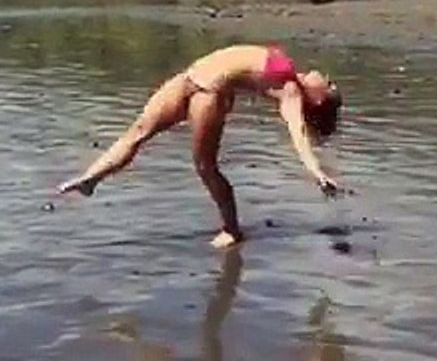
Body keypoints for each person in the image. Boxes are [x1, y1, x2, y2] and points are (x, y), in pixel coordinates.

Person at [56, 44, 343, 249]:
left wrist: (316, 172)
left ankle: (232, 230)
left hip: (209, 94)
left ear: (318, 99)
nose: (326, 77)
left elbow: (298, 134)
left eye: (329, 85)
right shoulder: (289, 69)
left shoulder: (290, 91)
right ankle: (91, 179)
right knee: (137, 132)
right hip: (189, 79)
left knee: (205, 166)